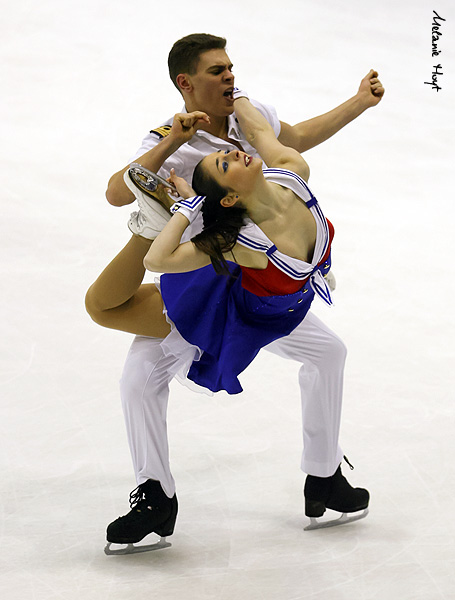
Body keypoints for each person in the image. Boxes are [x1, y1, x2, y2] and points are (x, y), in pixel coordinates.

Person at [87, 34, 384, 549]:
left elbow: (293, 138)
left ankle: (323, 477)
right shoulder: (172, 141)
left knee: (328, 352)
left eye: (230, 68)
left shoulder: (251, 117)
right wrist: (173, 144)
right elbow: (118, 191)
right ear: (187, 83)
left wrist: (358, 102)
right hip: (214, 284)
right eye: (216, 70)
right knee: (139, 377)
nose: (229, 77)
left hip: (266, 284)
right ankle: (155, 495)